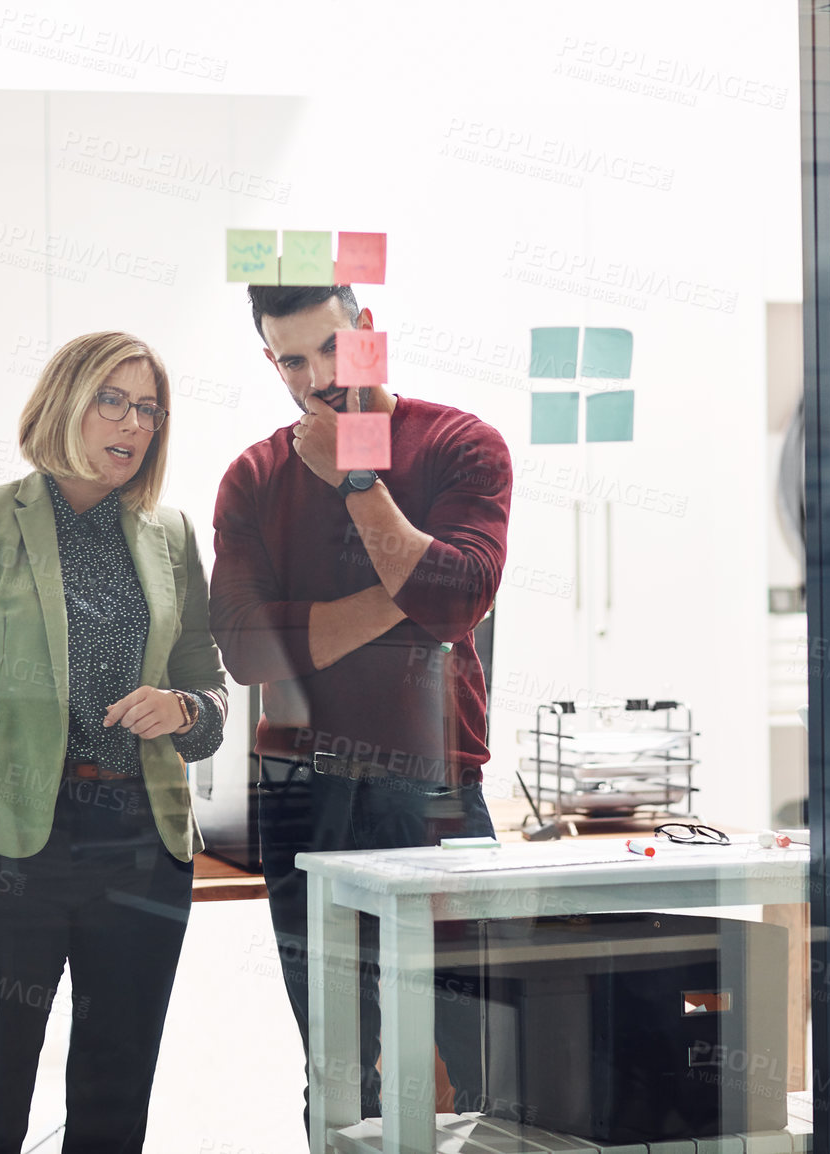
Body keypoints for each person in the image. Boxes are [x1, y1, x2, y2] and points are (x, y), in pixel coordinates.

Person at [0, 331, 228, 1154]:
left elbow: (212, 691)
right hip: (12, 844)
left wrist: (183, 708)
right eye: (113, 398)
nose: (133, 423)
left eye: (149, 408)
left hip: (142, 840)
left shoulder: (170, 534)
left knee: (115, 1091)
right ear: (64, 401)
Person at [208, 285, 512, 1124]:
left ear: (369, 335)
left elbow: (458, 601)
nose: (316, 381)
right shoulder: (255, 475)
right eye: (292, 361)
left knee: (493, 1063)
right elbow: (245, 649)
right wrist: (410, 586)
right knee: (339, 1077)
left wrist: (355, 476)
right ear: (271, 362)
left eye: (332, 351)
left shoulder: (460, 444)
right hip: (303, 794)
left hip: (435, 789)